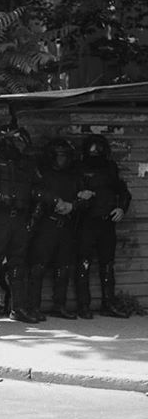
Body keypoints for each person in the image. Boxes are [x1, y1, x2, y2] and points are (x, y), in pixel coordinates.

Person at [0, 125, 38, 324]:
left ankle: (18, 308)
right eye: (17, 142)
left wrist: (32, 213)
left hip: (19, 218)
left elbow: (35, 189)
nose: (21, 147)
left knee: (18, 264)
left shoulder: (26, 162)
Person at [27, 138, 92, 320]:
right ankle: (33, 306)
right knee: (38, 267)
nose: (64, 160)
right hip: (46, 224)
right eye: (61, 156)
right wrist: (54, 200)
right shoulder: (42, 174)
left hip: (67, 225)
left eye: (66, 156)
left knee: (63, 268)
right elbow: (33, 192)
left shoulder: (74, 176)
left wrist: (74, 205)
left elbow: (88, 199)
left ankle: (59, 305)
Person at [75, 134, 131, 319]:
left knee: (107, 264)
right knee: (83, 264)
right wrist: (79, 196)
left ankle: (109, 303)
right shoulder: (78, 168)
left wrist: (121, 208)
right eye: (92, 150)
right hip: (85, 221)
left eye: (98, 150)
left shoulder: (110, 168)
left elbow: (123, 192)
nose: (95, 153)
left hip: (106, 222)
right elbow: (67, 190)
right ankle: (83, 305)